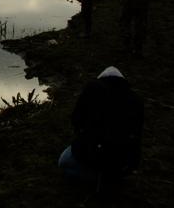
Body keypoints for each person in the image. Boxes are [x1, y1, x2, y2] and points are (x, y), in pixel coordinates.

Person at [58, 66, 144, 194]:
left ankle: (99, 180)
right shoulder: (136, 99)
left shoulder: (93, 89)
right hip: (125, 163)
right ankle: (113, 177)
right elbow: (137, 134)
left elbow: (76, 120)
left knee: (63, 162)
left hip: (98, 156)